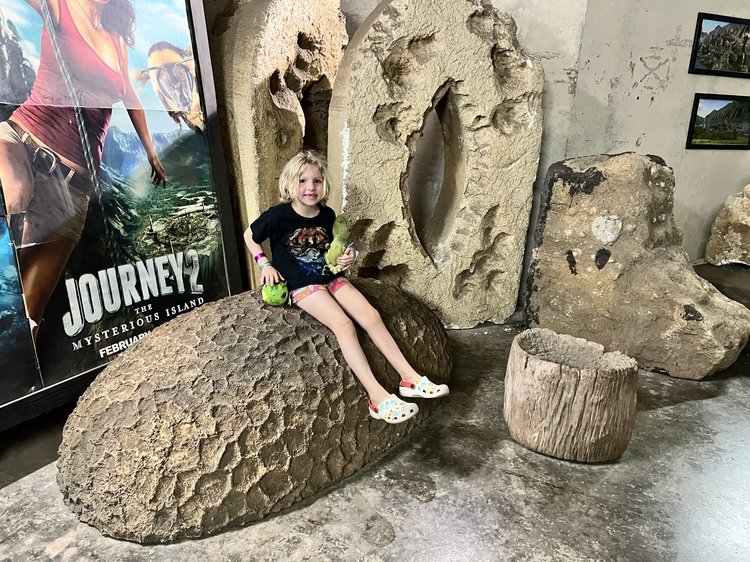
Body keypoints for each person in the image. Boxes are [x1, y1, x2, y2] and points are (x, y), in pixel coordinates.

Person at [0, 0, 167, 340]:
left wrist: (152, 154)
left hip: (73, 188)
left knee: (31, 315)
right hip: (22, 140)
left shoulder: (116, 38)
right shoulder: (59, 6)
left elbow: (132, 98)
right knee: (16, 192)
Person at [245, 150, 449, 425]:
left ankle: (410, 378)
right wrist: (264, 265)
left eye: (316, 181)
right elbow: (250, 235)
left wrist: (348, 256)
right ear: (289, 184)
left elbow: (334, 248)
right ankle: (376, 396)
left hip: (330, 277)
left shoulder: (327, 214)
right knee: (343, 325)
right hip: (302, 284)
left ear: (324, 184)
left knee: (371, 316)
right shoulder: (278, 216)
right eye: (303, 181)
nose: (310, 188)